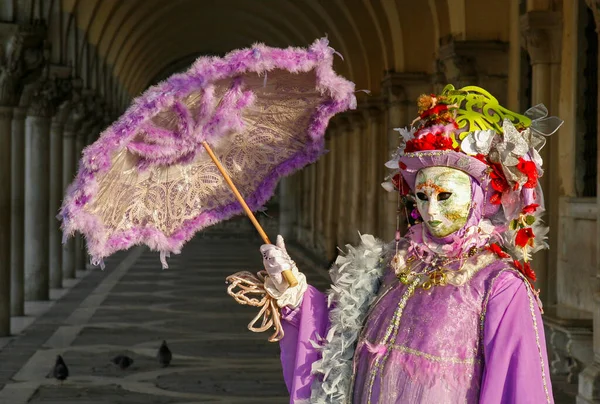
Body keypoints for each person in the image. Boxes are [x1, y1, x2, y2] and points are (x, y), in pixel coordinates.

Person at [252, 85, 562, 403]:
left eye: (445, 196)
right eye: (422, 196)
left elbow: (518, 388)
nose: (430, 210)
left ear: (479, 198)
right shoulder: (396, 261)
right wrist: (292, 287)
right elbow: (338, 338)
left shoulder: (499, 285)